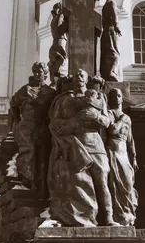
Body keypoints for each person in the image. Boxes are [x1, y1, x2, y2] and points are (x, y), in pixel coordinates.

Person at [48, 68, 118, 227]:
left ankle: (108, 218)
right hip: (75, 145)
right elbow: (53, 122)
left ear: (86, 80)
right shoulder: (63, 100)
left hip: (95, 144)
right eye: (76, 75)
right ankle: (85, 218)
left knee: (102, 180)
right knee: (78, 181)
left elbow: (107, 122)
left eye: (82, 75)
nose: (79, 77)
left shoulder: (99, 98)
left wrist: (97, 117)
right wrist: (69, 125)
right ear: (72, 80)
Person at [8, 62, 56, 198]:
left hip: (43, 128)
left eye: (39, 72)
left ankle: (41, 188)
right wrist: (18, 121)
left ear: (45, 74)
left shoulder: (51, 92)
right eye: (34, 72)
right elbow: (13, 104)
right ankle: (28, 182)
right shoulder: (26, 89)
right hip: (27, 128)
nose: (36, 75)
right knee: (29, 155)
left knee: (42, 158)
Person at [106, 88, 138, 226]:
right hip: (113, 151)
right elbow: (112, 130)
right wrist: (122, 120)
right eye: (113, 96)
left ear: (122, 98)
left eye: (119, 95)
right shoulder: (109, 113)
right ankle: (118, 216)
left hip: (124, 153)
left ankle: (128, 214)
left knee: (127, 183)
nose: (116, 98)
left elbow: (130, 140)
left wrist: (134, 157)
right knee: (115, 185)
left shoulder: (127, 118)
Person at [100, 0, 122, 81]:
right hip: (111, 29)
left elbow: (103, 20)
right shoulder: (112, 3)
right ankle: (111, 72)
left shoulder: (105, 5)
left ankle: (107, 73)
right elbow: (114, 15)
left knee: (107, 51)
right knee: (114, 51)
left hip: (106, 30)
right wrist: (116, 26)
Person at [47, 2, 68, 86]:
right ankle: (60, 80)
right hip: (61, 40)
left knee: (55, 61)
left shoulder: (53, 18)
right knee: (62, 60)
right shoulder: (60, 15)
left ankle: (54, 80)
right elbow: (60, 28)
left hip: (55, 42)